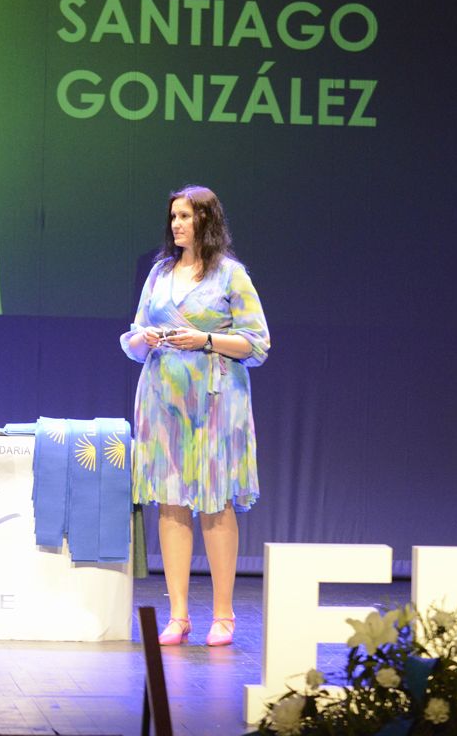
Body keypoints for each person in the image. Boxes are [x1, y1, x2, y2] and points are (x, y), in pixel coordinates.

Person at [120, 185, 270, 647]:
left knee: (215, 501)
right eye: (173, 217)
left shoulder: (230, 275)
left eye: (185, 216)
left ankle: (223, 615)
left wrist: (204, 340)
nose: (176, 224)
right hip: (163, 400)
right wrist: (144, 338)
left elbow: (258, 344)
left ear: (206, 220)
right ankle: (179, 614)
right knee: (171, 501)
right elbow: (131, 336)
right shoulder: (161, 272)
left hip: (215, 403)